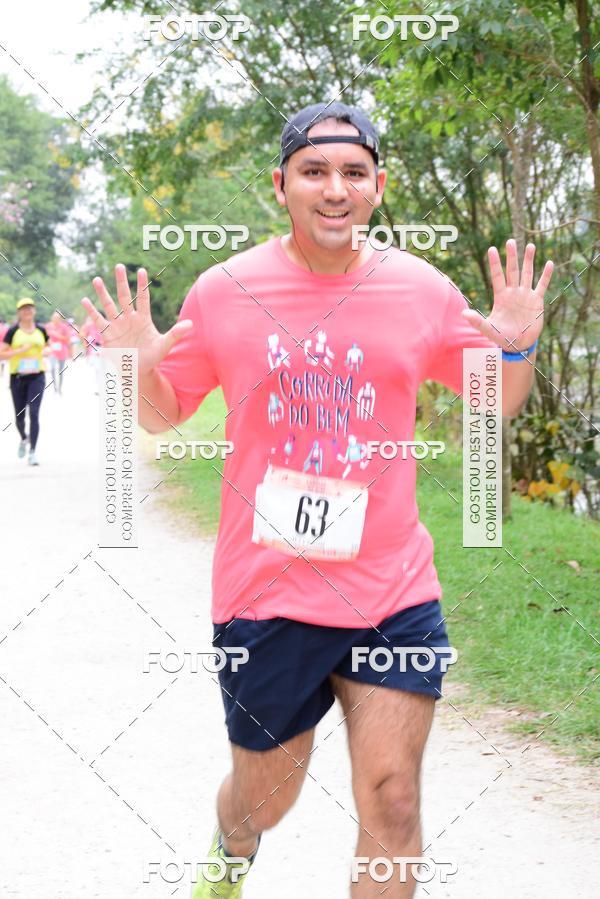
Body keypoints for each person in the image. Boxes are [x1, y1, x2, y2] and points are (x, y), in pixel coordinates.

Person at [82, 102, 554, 898]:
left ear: (376, 188)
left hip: (392, 587)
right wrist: (133, 367)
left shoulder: (421, 290)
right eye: (315, 171)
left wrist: (517, 347)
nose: (335, 189)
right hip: (267, 592)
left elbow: (492, 401)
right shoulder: (226, 288)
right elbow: (166, 411)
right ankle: (230, 851)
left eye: (353, 173)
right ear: (282, 185)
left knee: (394, 798)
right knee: (266, 796)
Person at [0, 297, 50, 465]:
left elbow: (48, 346)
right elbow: (2, 353)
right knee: (19, 417)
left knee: (34, 413)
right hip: (18, 377)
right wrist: (19, 351)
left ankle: (33, 452)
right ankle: (23, 438)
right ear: (19, 312)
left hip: (37, 376)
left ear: (34, 310)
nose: (27, 311)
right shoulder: (13, 331)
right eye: (23, 309)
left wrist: (46, 351)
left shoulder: (41, 330)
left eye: (30, 308)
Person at [46, 311, 72, 394]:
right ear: (52, 318)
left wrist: (58, 336)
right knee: (52, 368)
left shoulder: (64, 327)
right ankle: (55, 387)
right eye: (54, 317)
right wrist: (49, 342)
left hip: (62, 350)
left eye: (57, 318)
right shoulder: (48, 326)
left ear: (60, 319)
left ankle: (60, 387)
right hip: (52, 350)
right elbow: (45, 338)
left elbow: (68, 339)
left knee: (60, 370)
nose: (56, 319)